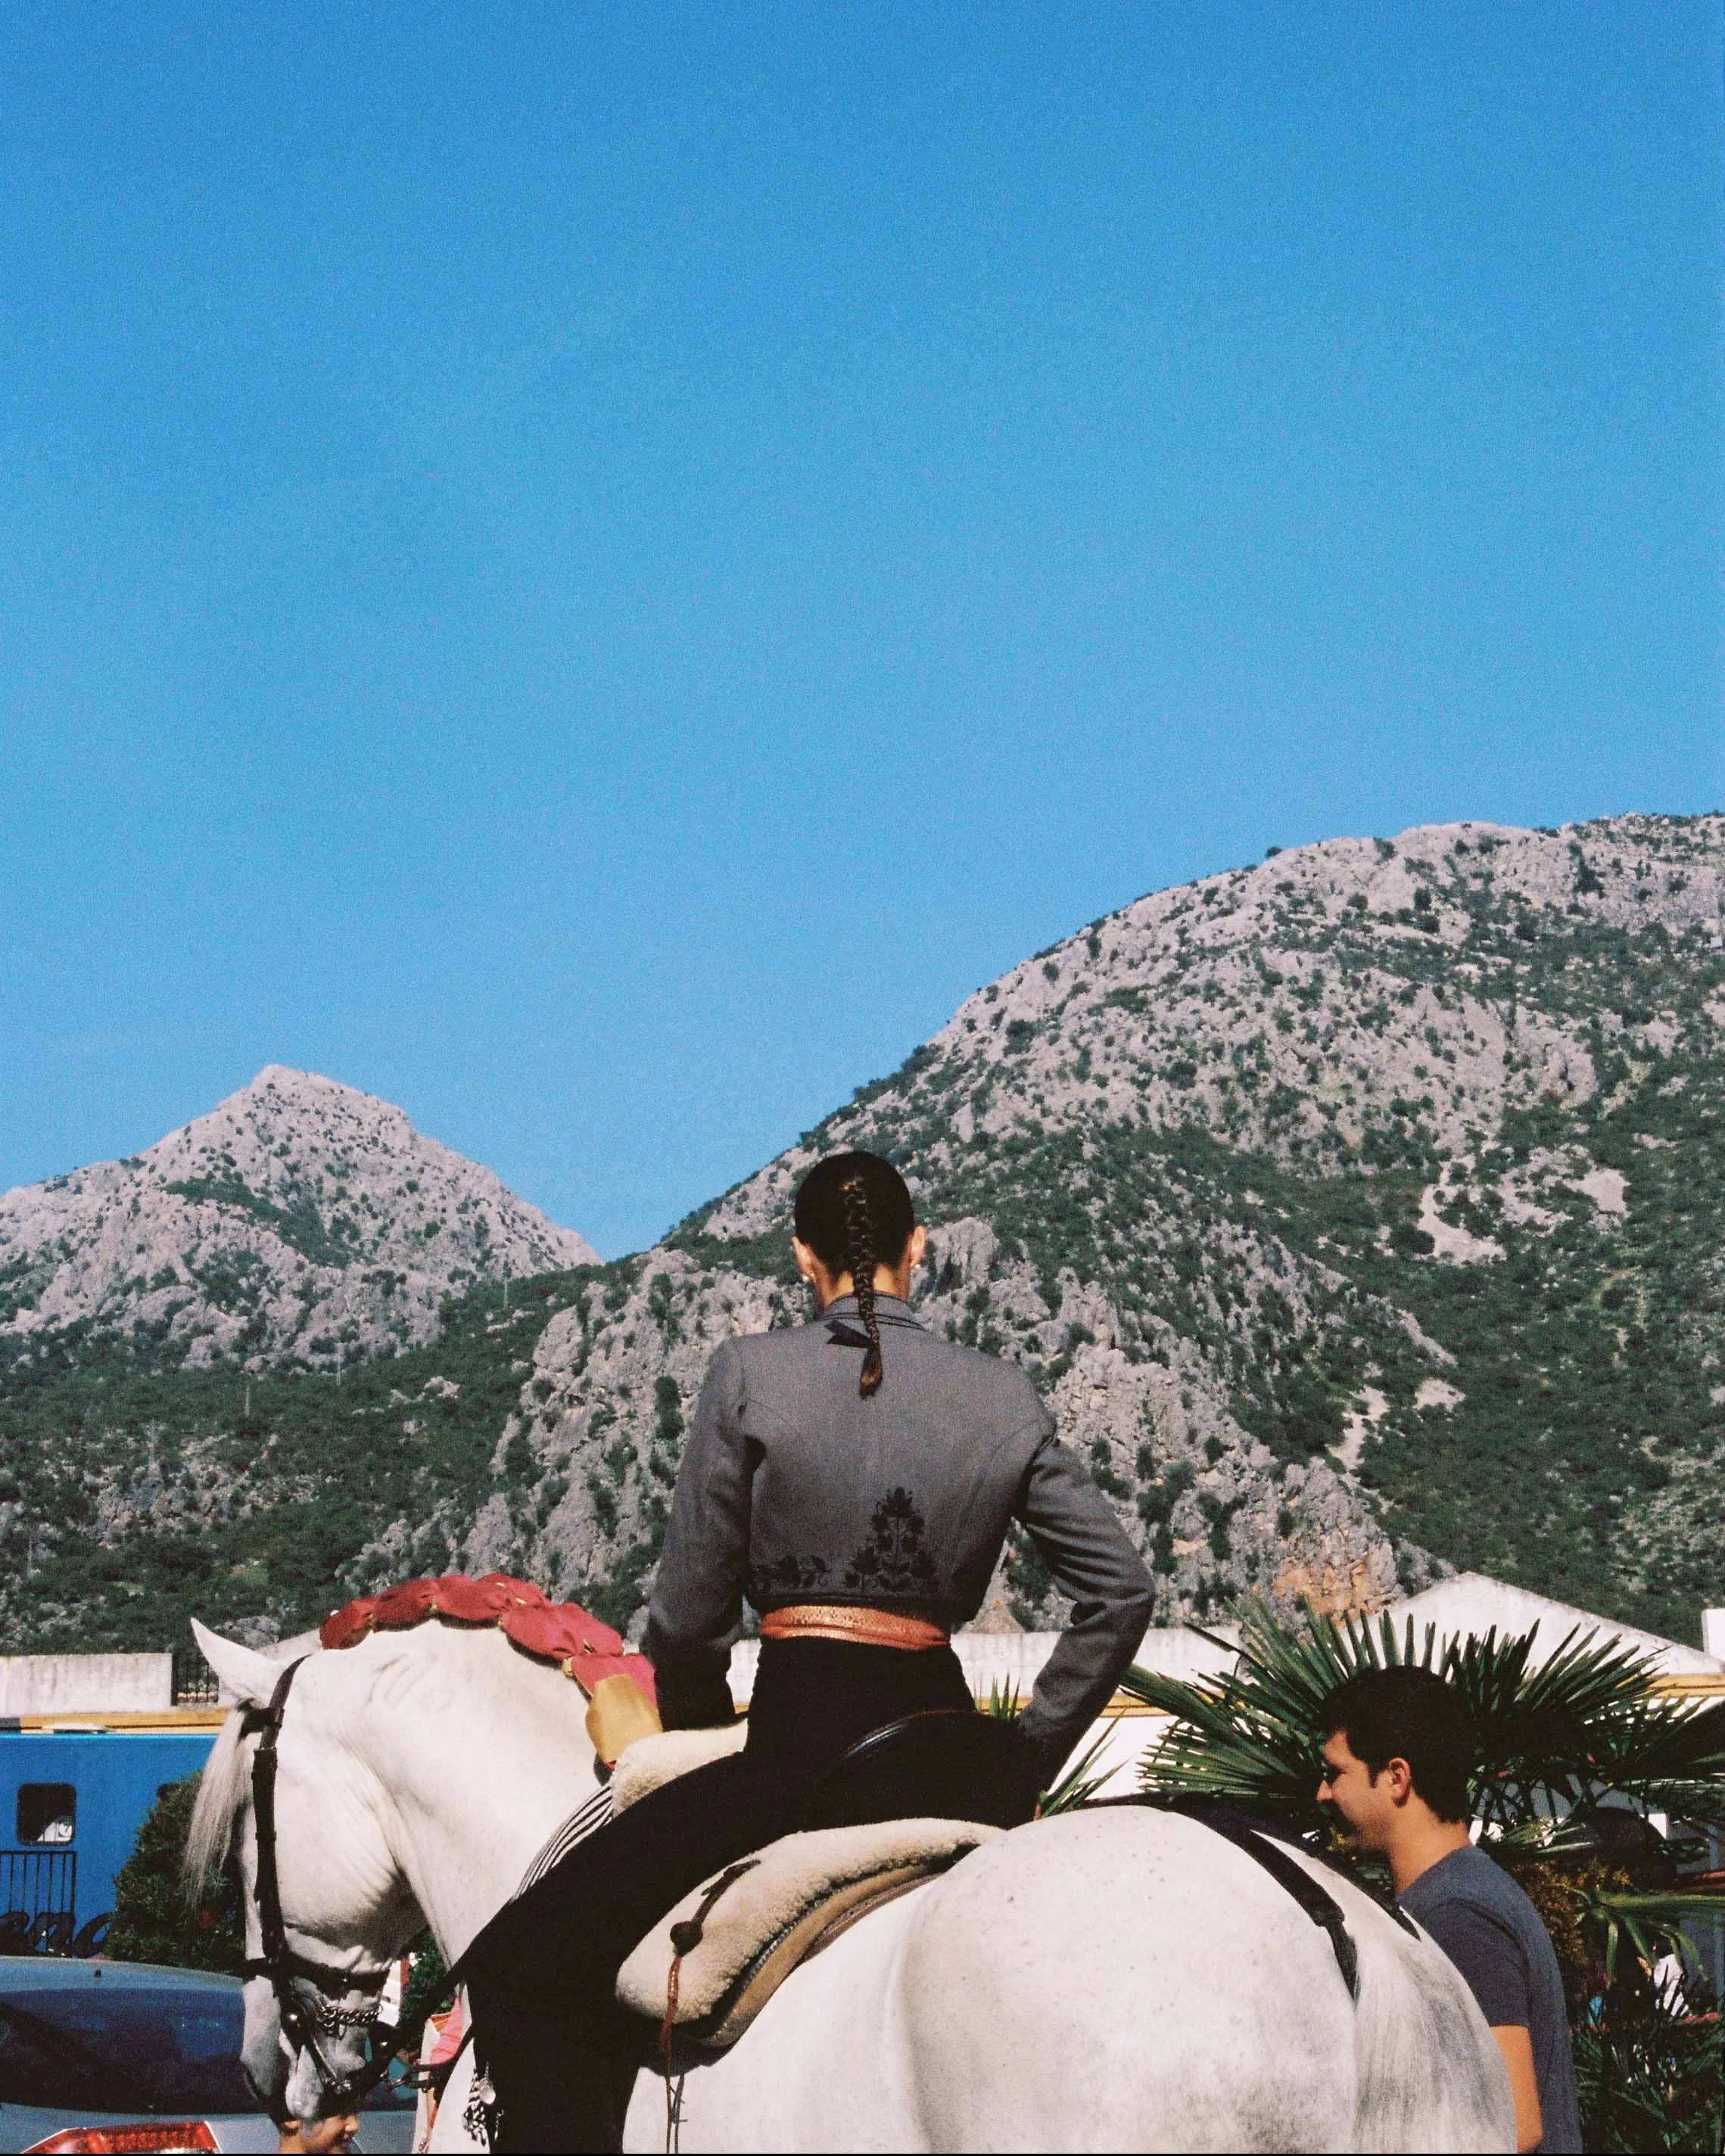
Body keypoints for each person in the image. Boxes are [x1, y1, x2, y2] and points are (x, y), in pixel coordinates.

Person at [463, 1150, 1154, 2151]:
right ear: (920, 1247)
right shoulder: (1001, 1394)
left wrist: (695, 1743)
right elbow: (1120, 1591)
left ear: (801, 1257)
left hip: (794, 1760)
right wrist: (1024, 1753)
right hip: (949, 1758)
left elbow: (690, 1616)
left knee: (522, 1959)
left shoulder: (749, 1374)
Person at [1316, 1666, 1581, 2155]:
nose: (1322, 1792)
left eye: (1335, 1773)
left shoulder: (1455, 1915)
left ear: (1396, 1777)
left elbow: (1513, 2126)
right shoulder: (1460, 1893)